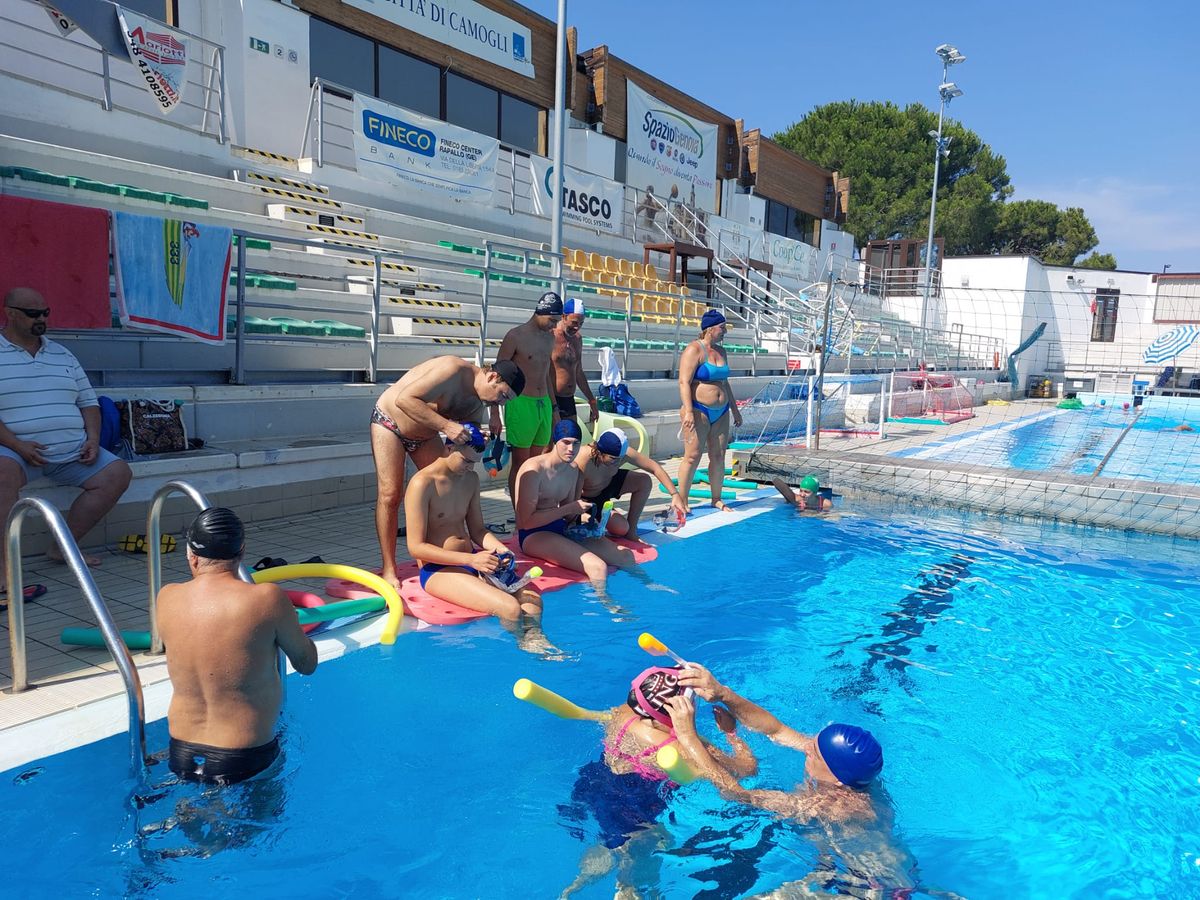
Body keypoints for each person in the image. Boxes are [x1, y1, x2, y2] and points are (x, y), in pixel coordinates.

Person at [560, 665, 757, 898]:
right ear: (680, 709)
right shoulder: (683, 746)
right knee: (640, 866)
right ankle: (627, 890)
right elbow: (747, 770)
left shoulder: (625, 712)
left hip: (595, 783)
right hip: (638, 805)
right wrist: (731, 733)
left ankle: (574, 887)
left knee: (607, 843)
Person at [157, 507, 318, 786]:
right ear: (241, 552)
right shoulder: (266, 598)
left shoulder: (166, 597)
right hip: (244, 756)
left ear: (191, 555)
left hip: (181, 753)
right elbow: (307, 664)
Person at [0, 287, 132, 595]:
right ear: (10, 313)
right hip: (14, 450)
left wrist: (93, 439)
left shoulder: (62, 353)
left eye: (46, 312)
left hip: (71, 450)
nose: (42, 319)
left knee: (117, 473)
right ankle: (4, 567)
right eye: (34, 314)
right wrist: (19, 446)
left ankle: (63, 548)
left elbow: (88, 402)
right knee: (2, 473)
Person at [371, 355, 525, 590]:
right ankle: (389, 568)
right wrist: (447, 426)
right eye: (502, 395)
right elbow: (405, 400)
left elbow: (465, 448)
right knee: (391, 495)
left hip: (425, 435)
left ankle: (431, 560)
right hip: (390, 422)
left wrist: (476, 439)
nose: (500, 403)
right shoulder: (452, 369)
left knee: (445, 486)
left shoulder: (477, 403)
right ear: (492, 376)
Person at [404, 421, 553, 654]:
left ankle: (536, 644)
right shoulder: (422, 484)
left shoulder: (470, 480)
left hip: (473, 560)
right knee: (511, 609)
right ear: (449, 448)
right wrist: (471, 561)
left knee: (533, 600)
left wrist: (499, 549)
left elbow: (478, 530)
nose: (469, 467)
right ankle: (519, 650)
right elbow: (415, 547)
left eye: (474, 463)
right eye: (465, 460)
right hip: (439, 569)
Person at [514, 420, 640, 602]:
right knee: (597, 567)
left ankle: (648, 586)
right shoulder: (534, 470)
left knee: (626, 556)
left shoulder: (573, 470)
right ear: (555, 441)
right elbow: (525, 522)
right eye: (566, 442)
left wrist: (588, 521)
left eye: (576, 443)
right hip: (534, 535)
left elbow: (570, 515)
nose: (571, 448)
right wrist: (569, 509)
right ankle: (607, 608)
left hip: (561, 528)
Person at [497, 291, 563, 503]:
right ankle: (519, 513)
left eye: (557, 321)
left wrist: (554, 409)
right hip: (521, 402)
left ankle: (530, 507)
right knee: (520, 463)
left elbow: (546, 374)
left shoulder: (550, 337)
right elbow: (496, 376)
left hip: (543, 403)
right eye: (552, 320)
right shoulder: (515, 336)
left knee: (537, 461)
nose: (554, 325)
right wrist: (494, 415)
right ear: (540, 312)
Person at [676, 309, 742, 512]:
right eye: (722, 328)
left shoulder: (722, 352)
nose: (725, 332)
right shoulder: (694, 350)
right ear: (710, 329)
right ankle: (682, 501)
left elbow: (725, 382)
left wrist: (734, 408)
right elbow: (684, 382)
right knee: (692, 456)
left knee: (718, 455)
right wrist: (688, 411)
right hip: (698, 409)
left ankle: (716, 498)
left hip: (721, 411)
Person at [575, 427, 687, 538]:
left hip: (606, 488)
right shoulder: (583, 459)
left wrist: (675, 494)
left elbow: (655, 468)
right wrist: (579, 516)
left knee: (644, 481)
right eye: (613, 458)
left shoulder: (622, 454)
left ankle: (632, 531)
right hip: (584, 500)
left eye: (620, 458)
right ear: (599, 452)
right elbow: (565, 489)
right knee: (612, 527)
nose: (617, 462)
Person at [551, 298, 599, 426]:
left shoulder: (577, 339)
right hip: (552, 400)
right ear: (563, 317)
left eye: (581, 323)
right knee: (550, 444)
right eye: (574, 322)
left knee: (572, 440)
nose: (577, 327)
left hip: (568, 400)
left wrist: (591, 400)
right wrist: (551, 405)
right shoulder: (551, 336)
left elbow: (578, 372)